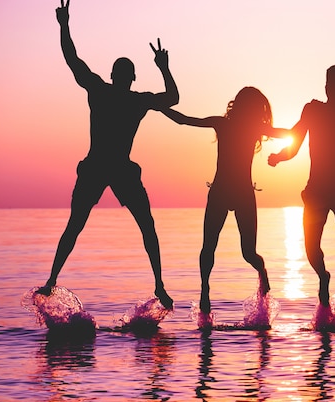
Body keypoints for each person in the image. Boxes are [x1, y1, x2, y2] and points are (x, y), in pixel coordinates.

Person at [37, 0, 179, 310]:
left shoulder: (113, 94)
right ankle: (51, 281)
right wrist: (164, 68)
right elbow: (73, 61)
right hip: (100, 167)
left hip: (114, 169)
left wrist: (64, 26)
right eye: (122, 73)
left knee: (142, 225)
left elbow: (73, 60)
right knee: (80, 225)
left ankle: (158, 285)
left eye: (124, 74)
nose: (123, 77)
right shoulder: (119, 96)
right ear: (120, 76)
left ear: (121, 76)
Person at [161, 87, 290, 315]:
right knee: (209, 247)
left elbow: (289, 133)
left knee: (248, 253)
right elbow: (184, 120)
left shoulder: (255, 128)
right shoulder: (222, 124)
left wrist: (301, 133)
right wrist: (158, 106)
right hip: (220, 191)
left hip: (242, 193)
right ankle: (204, 291)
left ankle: (262, 272)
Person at [269, 65, 335, 318]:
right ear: (326, 86)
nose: (331, 88)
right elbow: (295, 143)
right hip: (316, 190)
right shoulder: (312, 110)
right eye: (329, 83)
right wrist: (279, 157)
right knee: (311, 246)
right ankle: (323, 277)